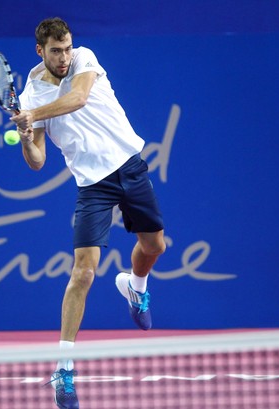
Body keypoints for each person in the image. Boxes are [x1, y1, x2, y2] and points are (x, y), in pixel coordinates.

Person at [11, 18, 166, 409]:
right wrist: (29, 138)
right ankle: (64, 369)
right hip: (91, 185)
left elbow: (78, 98)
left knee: (154, 246)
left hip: (128, 165)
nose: (64, 57)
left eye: (66, 48)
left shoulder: (84, 59)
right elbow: (38, 161)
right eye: (56, 51)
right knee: (83, 271)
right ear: (40, 51)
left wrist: (34, 114)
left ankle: (136, 286)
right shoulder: (31, 94)